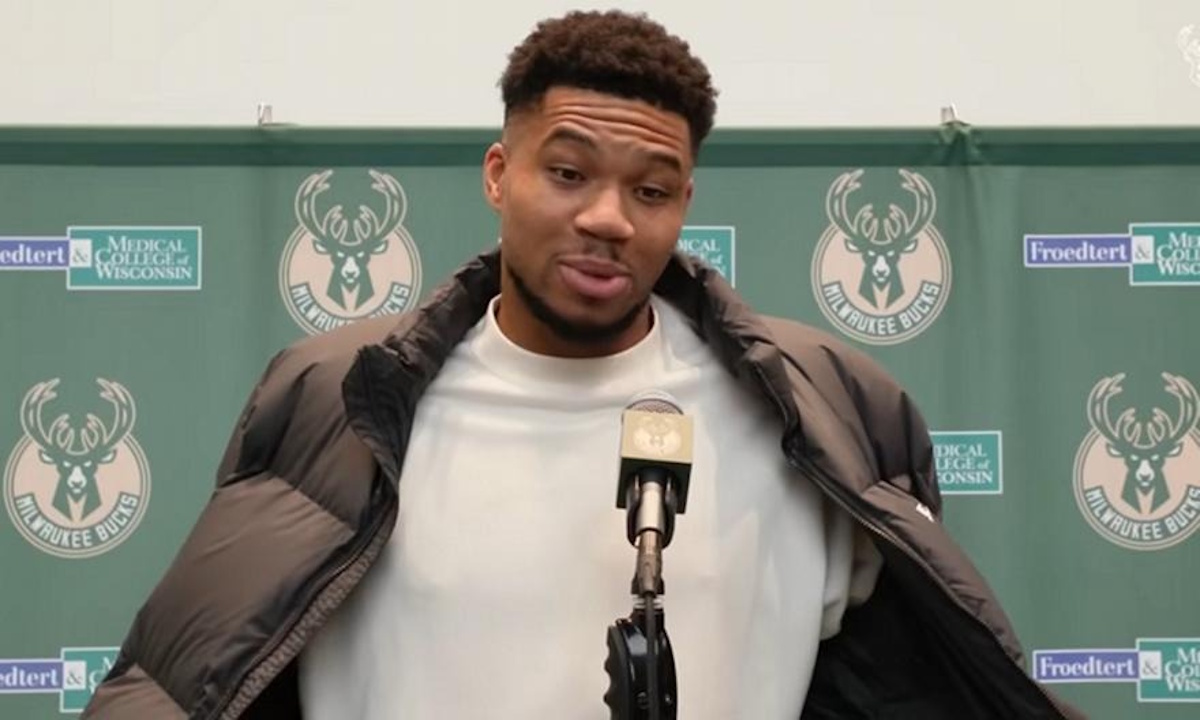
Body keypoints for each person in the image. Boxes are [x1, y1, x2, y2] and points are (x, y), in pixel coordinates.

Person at [85, 10, 1083, 719]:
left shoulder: (826, 412)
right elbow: (201, 673)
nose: (608, 218)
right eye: (568, 173)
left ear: (685, 203)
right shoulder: (337, 401)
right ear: (499, 174)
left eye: (651, 189)